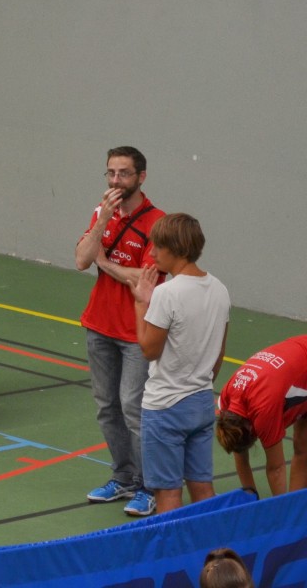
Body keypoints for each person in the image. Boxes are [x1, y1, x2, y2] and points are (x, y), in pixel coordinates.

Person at [75, 145, 165, 517]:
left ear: (141, 177)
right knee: (107, 407)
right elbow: (82, 260)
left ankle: (149, 486)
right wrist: (101, 223)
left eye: (124, 173)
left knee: (134, 407)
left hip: (135, 331)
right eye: (111, 173)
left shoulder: (158, 224)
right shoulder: (102, 213)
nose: (116, 180)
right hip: (99, 325)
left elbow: (145, 279)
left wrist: (106, 262)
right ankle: (123, 477)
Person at [130, 213, 230, 515]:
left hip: (165, 407)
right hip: (201, 401)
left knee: (168, 493)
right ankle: (211, 545)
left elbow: (149, 349)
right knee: (202, 487)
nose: (152, 253)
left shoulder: (166, 293)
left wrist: (141, 304)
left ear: (176, 248)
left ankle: (173, 548)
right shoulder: (220, 289)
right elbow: (219, 354)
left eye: (157, 247)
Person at [216, 335, 307, 497]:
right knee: (302, 445)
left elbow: (276, 469)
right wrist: (252, 498)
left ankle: (290, 508)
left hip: (300, 365)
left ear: (252, 429)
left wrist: (280, 508)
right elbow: (241, 456)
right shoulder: (226, 403)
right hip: (298, 361)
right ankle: (294, 505)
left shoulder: (263, 409)